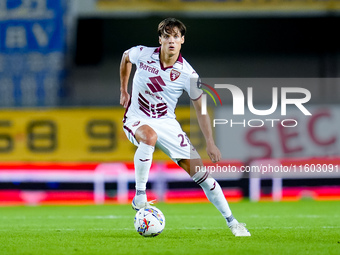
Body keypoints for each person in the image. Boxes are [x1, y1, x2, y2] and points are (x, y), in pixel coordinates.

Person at [119, 17, 250, 237]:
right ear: (160, 39)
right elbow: (125, 58)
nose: (171, 41)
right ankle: (140, 195)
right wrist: (124, 90)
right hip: (137, 118)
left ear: (182, 40)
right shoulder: (142, 53)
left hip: (168, 124)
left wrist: (210, 142)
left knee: (203, 176)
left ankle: (233, 222)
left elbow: (201, 109)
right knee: (149, 137)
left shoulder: (189, 74)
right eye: (167, 36)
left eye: (176, 37)